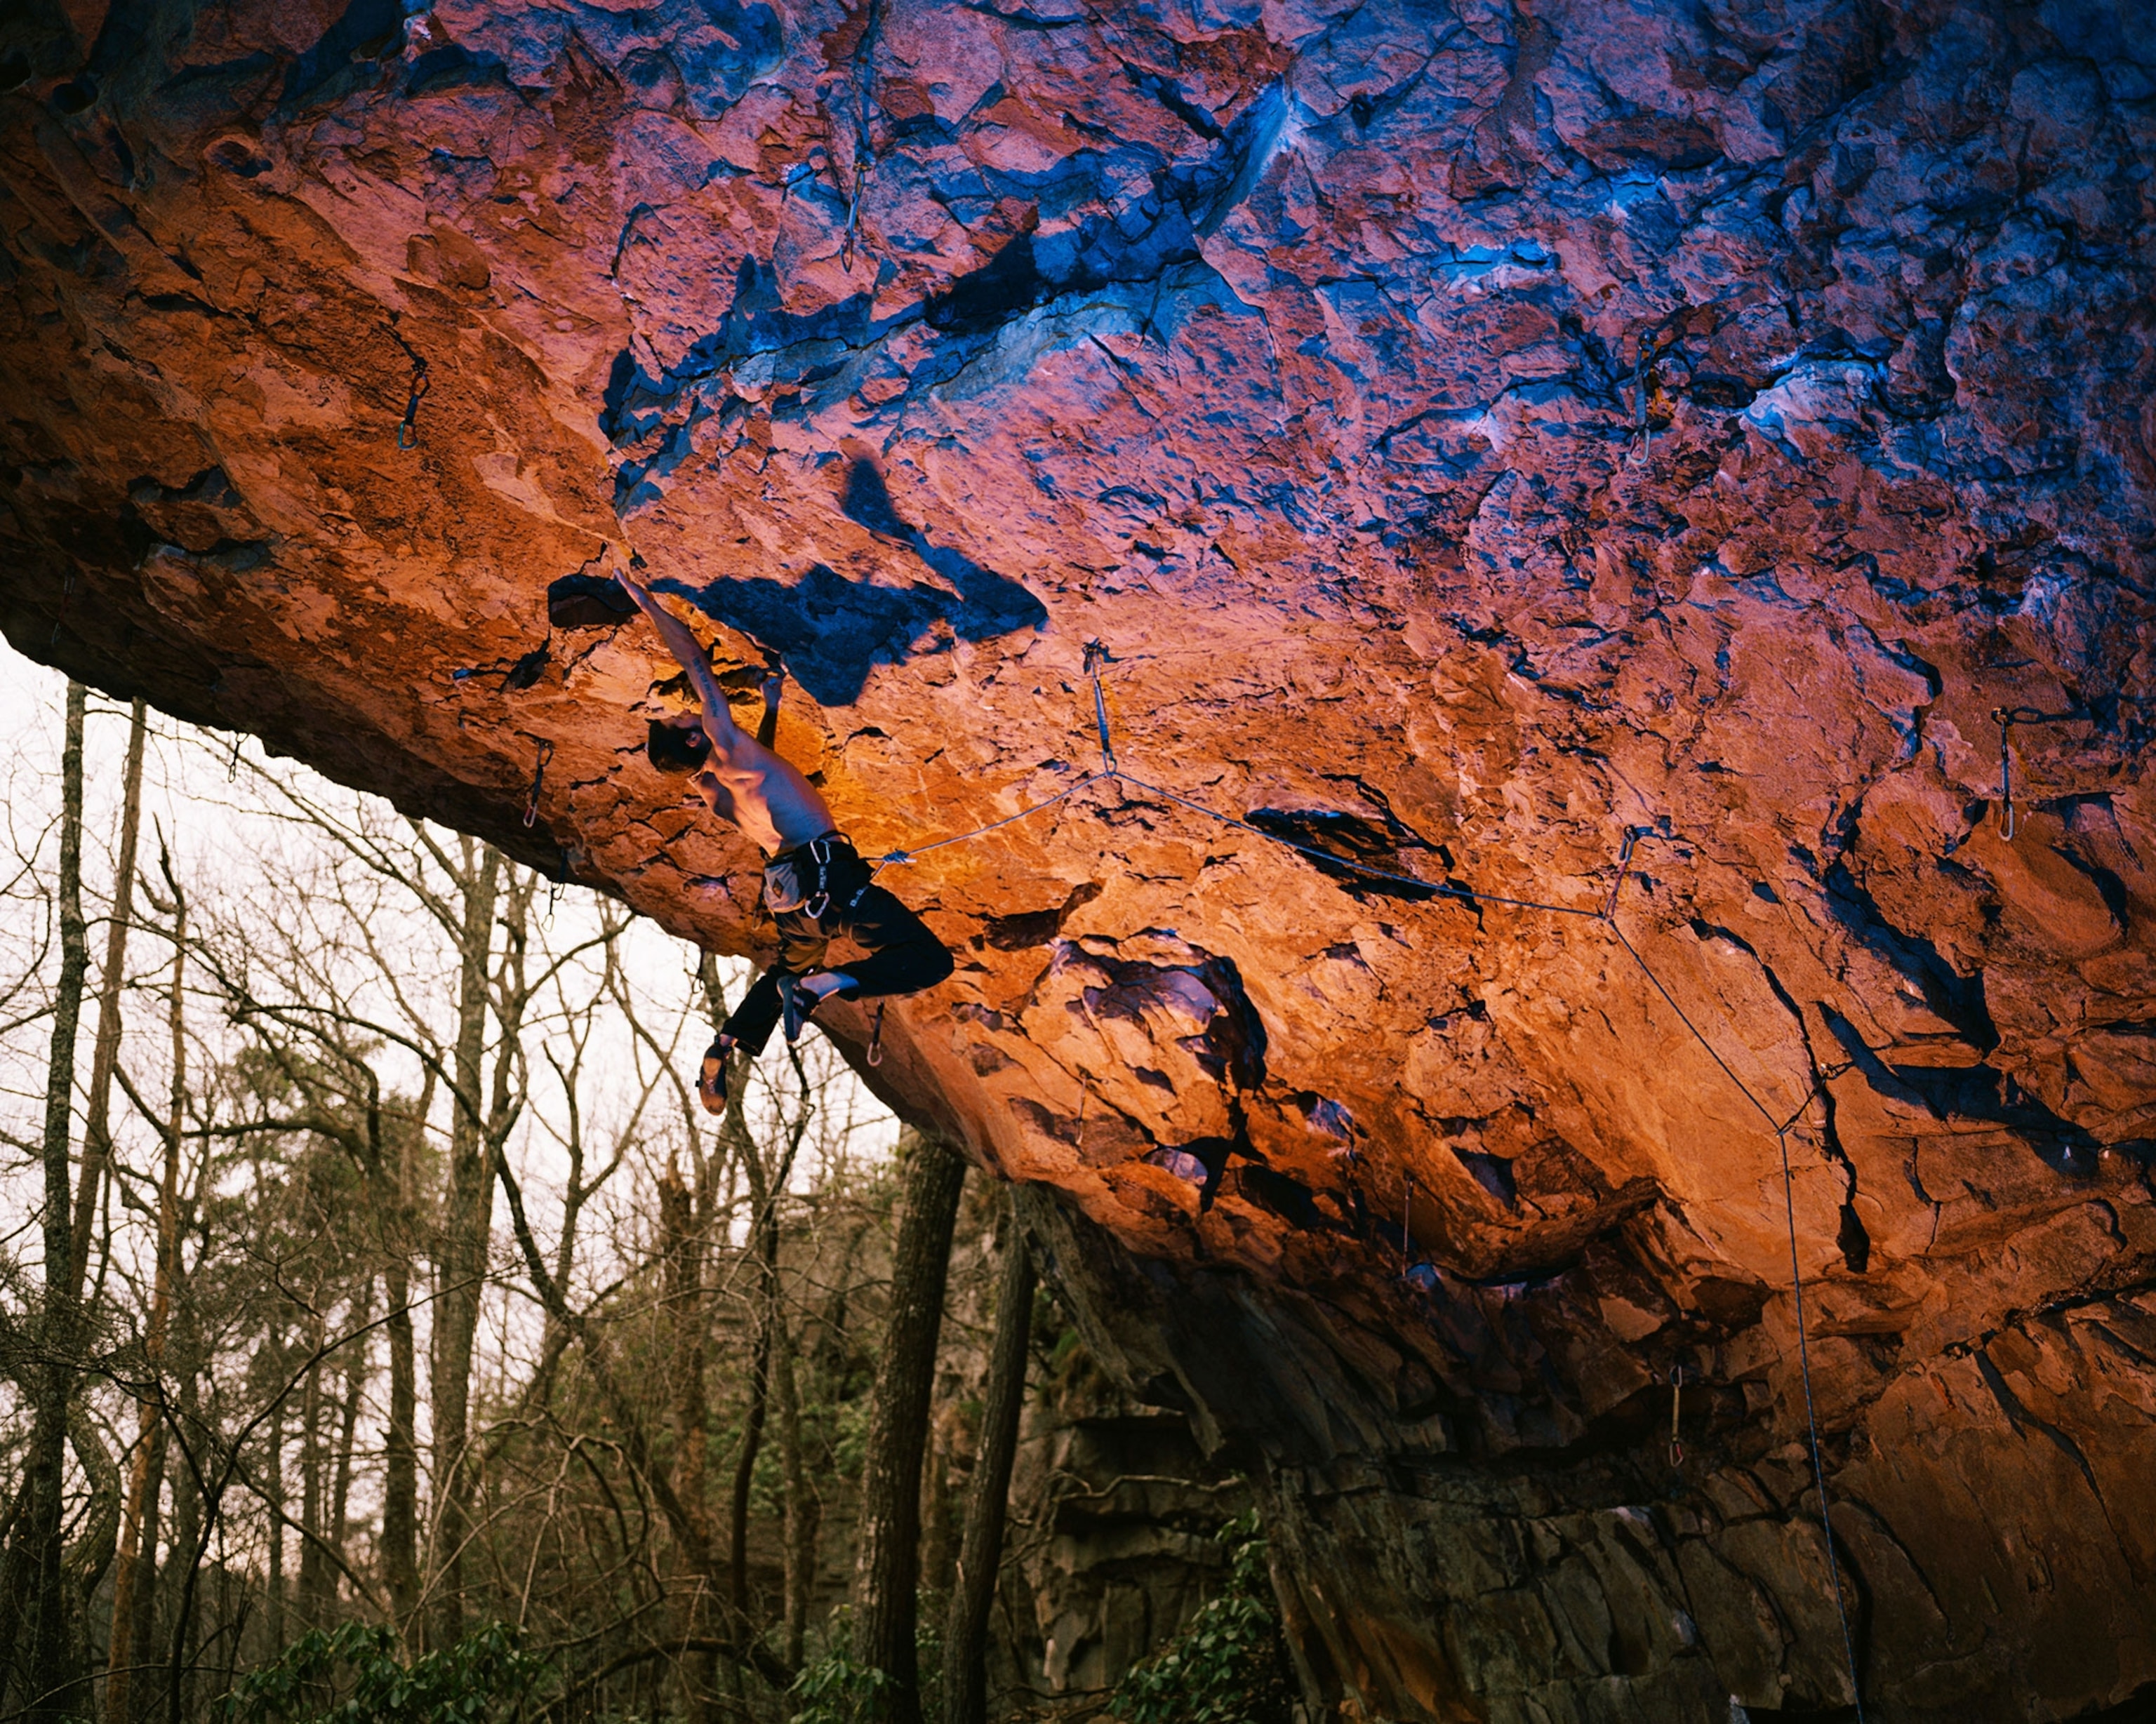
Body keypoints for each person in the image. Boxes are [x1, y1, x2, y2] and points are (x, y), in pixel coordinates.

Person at [614, 564, 954, 1112]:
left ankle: (728, 1041)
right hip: (829, 881)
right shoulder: (726, 742)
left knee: (786, 972)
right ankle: (824, 987)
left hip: (793, 901)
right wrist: (646, 603)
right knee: (929, 960)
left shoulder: (718, 791)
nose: (682, 709)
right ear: (698, 733)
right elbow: (693, 659)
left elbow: (769, 772)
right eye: (681, 718)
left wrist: (772, 706)